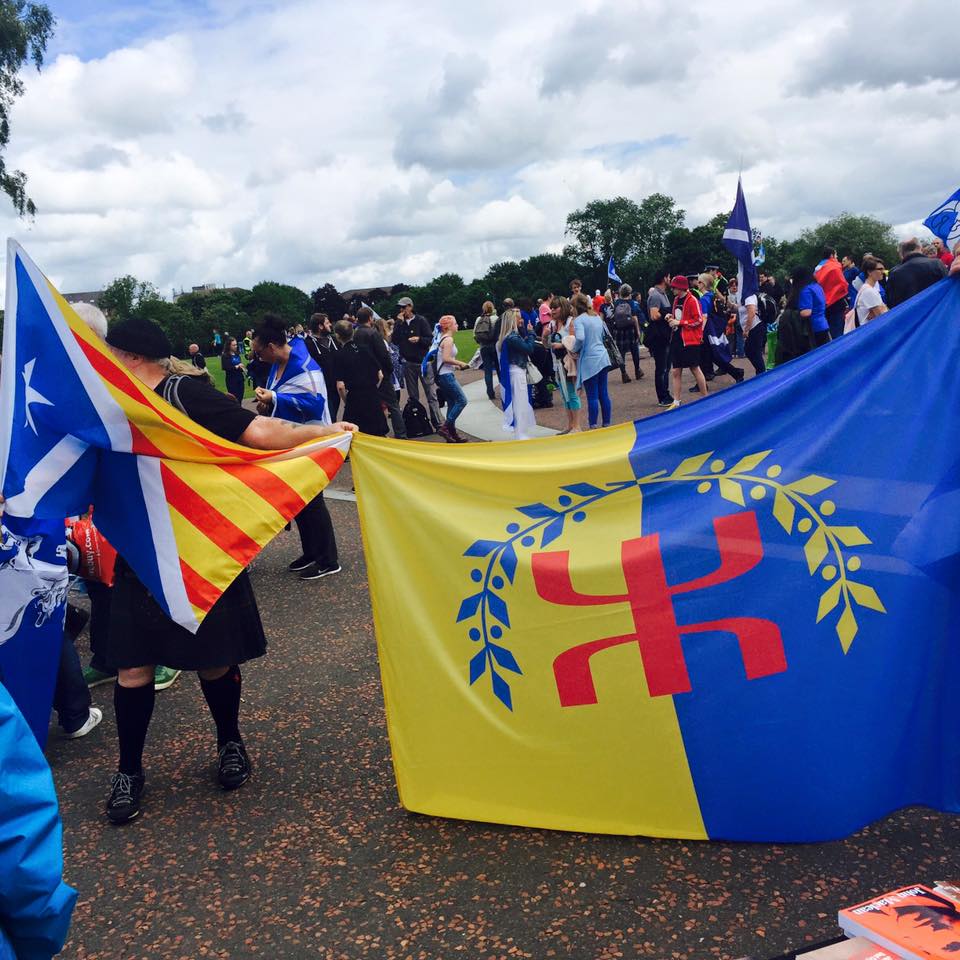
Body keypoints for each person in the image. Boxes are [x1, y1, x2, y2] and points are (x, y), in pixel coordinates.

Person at [100, 317, 356, 824]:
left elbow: (259, 430)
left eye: (109, 352)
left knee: (214, 660)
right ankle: (129, 769)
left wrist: (326, 432)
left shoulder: (186, 394)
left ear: (131, 356)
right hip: (142, 549)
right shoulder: (106, 405)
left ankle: (230, 741)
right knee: (133, 669)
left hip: (200, 547)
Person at [251, 313, 343, 583]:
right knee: (298, 499)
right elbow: (283, 396)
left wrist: (275, 397)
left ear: (270, 347)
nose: (257, 358)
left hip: (312, 439)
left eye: (258, 352)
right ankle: (312, 552)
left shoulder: (304, 365)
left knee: (312, 499)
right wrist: (268, 403)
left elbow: (314, 403)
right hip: (291, 438)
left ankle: (328, 559)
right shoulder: (277, 364)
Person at [353, 307, 407, 439]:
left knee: (373, 405)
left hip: (365, 375)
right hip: (381, 373)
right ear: (370, 318)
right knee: (393, 405)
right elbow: (383, 355)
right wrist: (388, 370)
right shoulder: (373, 333)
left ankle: (377, 434)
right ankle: (401, 434)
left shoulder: (356, 334)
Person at [333, 319, 388, 437]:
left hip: (355, 398)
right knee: (378, 433)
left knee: (355, 434)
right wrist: (373, 387)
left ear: (337, 336)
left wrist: (346, 401)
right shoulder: (365, 348)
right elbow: (380, 375)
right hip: (372, 395)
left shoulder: (339, 355)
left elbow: (341, 386)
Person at [391, 296, 440, 428]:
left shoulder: (420, 320)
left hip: (423, 362)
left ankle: (438, 422)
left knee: (431, 393)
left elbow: (430, 339)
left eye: (404, 307)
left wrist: (419, 339)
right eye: (400, 308)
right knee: (413, 396)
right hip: (408, 363)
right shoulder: (400, 324)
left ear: (410, 307)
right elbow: (394, 340)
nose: (402, 310)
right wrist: (398, 323)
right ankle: (418, 423)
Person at [570, 292, 612, 429]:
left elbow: (580, 338)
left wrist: (574, 348)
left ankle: (593, 425)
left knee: (592, 396)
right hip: (603, 357)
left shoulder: (579, 320)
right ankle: (606, 423)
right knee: (603, 393)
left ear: (576, 307)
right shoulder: (596, 317)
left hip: (590, 360)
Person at [667, 275, 708, 409]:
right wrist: (671, 317)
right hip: (677, 338)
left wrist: (680, 322)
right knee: (675, 371)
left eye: (674, 287)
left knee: (694, 368)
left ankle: (705, 397)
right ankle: (676, 401)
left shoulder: (693, 300)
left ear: (680, 287)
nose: (672, 289)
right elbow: (678, 317)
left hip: (690, 340)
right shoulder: (676, 300)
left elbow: (698, 320)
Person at [497, 307, 537, 440]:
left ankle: (520, 433)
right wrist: (531, 333)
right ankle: (521, 434)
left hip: (515, 371)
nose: (521, 320)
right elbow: (529, 348)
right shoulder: (513, 337)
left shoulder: (510, 336)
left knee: (519, 402)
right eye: (519, 318)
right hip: (517, 372)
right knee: (520, 403)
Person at [548, 295, 582, 434]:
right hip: (557, 362)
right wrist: (545, 338)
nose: (552, 311)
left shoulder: (570, 322)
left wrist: (561, 344)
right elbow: (548, 344)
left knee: (572, 393)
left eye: (555, 308)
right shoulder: (553, 324)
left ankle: (577, 426)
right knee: (564, 394)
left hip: (568, 363)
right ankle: (570, 424)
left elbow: (574, 342)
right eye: (551, 308)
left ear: (562, 307)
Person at [435, 315, 470, 442]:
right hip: (446, 376)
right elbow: (446, 358)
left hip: (444, 374)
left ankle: (451, 433)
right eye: (455, 323)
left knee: (451, 403)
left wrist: (456, 367)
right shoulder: (448, 340)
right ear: (449, 326)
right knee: (461, 401)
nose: (457, 325)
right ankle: (446, 427)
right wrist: (460, 363)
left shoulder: (443, 338)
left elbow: (443, 361)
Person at [885, 237, 948, 308]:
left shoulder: (894, 273)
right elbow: (949, 290)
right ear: (920, 248)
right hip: (937, 312)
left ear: (901, 252)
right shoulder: (936, 264)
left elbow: (891, 303)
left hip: (910, 316)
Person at [646, 269, 675, 407]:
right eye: (669, 277)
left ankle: (666, 393)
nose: (670, 279)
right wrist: (666, 314)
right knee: (661, 368)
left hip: (665, 335)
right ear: (664, 278)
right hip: (659, 336)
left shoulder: (663, 294)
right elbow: (653, 315)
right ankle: (662, 396)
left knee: (666, 367)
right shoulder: (656, 295)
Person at [304, 312, 340, 421]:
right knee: (330, 417)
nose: (330, 325)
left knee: (334, 413)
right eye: (327, 323)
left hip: (336, 387)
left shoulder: (334, 340)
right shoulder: (308, 344)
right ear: (320, 326)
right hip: (321, 388)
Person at [814, 246, 849, 341]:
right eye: (836, 255)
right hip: (836, 302)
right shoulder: (834, 266)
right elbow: (843, 284)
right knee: (838, 332)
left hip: (823, 304)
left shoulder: (817, 268)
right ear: (831, 255)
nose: (837, 257)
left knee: (828, 332)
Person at [610, 283, 644, 383]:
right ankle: (637, 371)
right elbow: (635, 318)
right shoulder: (632, 302)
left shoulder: (616, 303)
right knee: (635, 351)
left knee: (621, 353)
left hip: (619, 330)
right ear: (629, 292)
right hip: (630, 329)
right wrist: (638, 331)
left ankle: (624, 374)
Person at [794, 264, 831, 347]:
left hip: (813, 328)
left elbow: (806, 312)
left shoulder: (806, 290)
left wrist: (795, 313)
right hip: (823, 323)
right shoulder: (817, 286)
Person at [473, 300, 500, 401]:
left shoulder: (478, 319)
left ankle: (490, 393)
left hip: (483, 347)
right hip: (494, 346)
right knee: (499, 369)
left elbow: (474, 335)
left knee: (487, 371)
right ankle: (503, 390)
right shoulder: (496, 318)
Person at [854, 255, 888, 326]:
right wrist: (882, 307)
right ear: (869, 272)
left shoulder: (869, 288)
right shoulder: (869, 291)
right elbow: (882, 316)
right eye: (880, 269)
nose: (883, 272)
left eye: (883, 269)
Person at [220, 336, 245, 402]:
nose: (236, 346)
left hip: (240, 378)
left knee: (240, 397)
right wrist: (236, 366)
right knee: (234, 398)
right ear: (229, 346)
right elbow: (225, 367)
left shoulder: (237, 354)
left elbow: (240, 364)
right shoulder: (225, 355)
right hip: (231, 380)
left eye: (236, 344)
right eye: (233, 345)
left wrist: (242, 368)